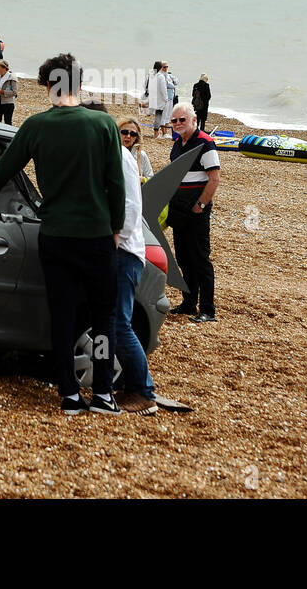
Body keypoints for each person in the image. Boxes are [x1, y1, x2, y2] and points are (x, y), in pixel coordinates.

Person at [0, 53, 125, 415]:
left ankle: (68, 395)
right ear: (78, 84)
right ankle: (102, 393)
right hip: (96, 235)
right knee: (103, 317)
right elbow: (115, 183)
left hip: (55, 235)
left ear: (51, 87)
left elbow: (4, 167)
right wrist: (115, 227)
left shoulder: (36, 126)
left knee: (63, 315)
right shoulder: (103, 125)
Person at [83, 102, 159, 415]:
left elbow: (128, 206)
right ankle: (132, 387)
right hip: (124, 249)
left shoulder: (122, 158)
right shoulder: (115, 156)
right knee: (115, 321)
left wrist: (115, 236)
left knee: (119, 323)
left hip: (125, 251)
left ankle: (143, 391)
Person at [168, 101, 221, 322]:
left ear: (193, 120)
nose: (178, 123)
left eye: (182, 119)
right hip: (179, 210)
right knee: (183, 258)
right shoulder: (179, 142)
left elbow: (214, 178)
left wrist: (200, 205)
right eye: (174, 120)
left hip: (196, 212)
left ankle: (207, 310)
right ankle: (189, 303)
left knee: (200, 259)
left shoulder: (206, 143)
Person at [144, 61, 170, 137]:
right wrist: (166, 98)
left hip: (152, 97)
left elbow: (145, 84)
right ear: (161, 67)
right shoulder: (160, 76)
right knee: (158, 115)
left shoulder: (150, 75)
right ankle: (156, 133)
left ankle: (149, 113)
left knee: (155, 112)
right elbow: (163, 89)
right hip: (159, 98)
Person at [0, 59, 17, 124]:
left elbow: (14, 92)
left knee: (8, 122)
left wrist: (3, 92)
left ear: (4, 68)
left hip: (8, 103)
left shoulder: (11, 78)